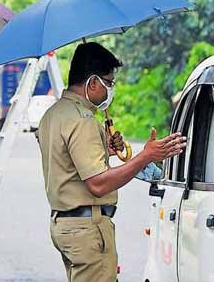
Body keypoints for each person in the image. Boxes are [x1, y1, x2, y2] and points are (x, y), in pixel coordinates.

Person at [37, 42, 187, 282]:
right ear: (92, 83)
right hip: (87, 228)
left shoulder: (54, 114)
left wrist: (103, 149)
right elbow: (98, 184)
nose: (111, 90)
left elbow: (66, 160)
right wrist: (146, 156)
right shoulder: (82, 121)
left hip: (65, 225)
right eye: (109, 83)